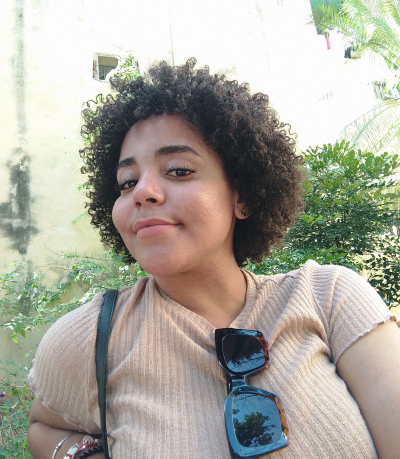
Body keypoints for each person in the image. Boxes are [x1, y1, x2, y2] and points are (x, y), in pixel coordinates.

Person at [28, 58, 400, 459]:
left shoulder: (331, 299)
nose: (142, 191)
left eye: (178, 170)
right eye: (127, 181)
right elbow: (42, 426)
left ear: (242, 196)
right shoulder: (90, 338)